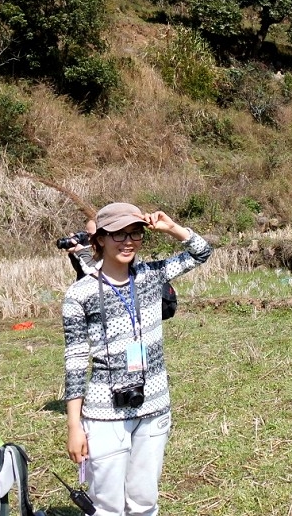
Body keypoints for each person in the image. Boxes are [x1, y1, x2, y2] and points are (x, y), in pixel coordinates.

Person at [63, 202, 212, 516]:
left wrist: (172, 228)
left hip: (154, 406)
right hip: (105, 413)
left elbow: (201, 252)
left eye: (135, 233)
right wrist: (74, 425)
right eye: (118, 234)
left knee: (144, 501)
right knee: (106, 505)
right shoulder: (80, 294)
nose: (128, 241)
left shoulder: (151, 275)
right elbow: (75, 360)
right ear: (100, 239)